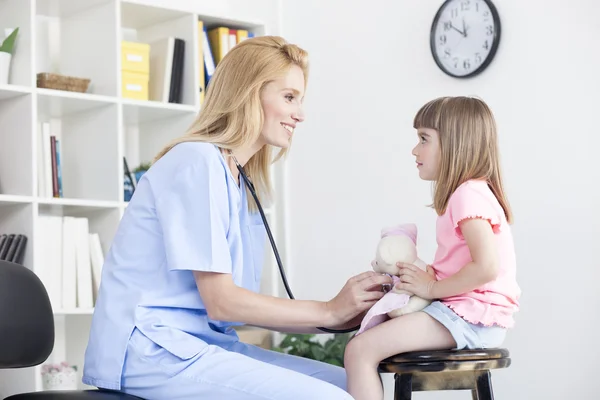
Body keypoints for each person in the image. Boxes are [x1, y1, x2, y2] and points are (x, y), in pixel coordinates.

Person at [81, 36, 391, 400]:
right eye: (289, 97)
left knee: (348, 384)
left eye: (300, 100)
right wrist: (328, 310)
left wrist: (341, 316)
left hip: (201, 344)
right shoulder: (196, 162)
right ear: (249, 93)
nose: (300, 114)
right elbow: (222, 301)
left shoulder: (238, 177)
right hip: (151, 350)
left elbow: (230, 308)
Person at [343, 96, 522, 400]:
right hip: (467, 314)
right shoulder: (470, 193)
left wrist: (430, 288)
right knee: (368, 341)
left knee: (360, 350)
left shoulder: (468, 195)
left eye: (424, 138)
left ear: (455, 144)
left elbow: (486, 267)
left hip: (471, 317)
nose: (415, 149)